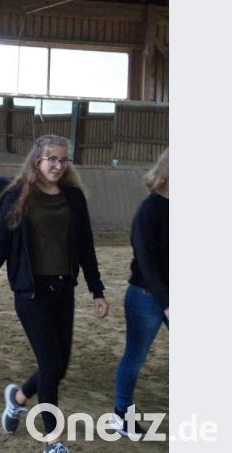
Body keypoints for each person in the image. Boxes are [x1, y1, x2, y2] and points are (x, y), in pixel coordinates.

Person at [0, 135, 110, 453]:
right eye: (51, 159)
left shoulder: (73, 197)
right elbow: (1, 245)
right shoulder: (17, 196)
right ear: (37, 160)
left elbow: (85, 247)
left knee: (59, 366)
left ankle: (17, 399)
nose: (58, 165)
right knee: (49, 364)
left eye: (63, 160)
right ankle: (53, 441)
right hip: (31, 294)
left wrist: (96, 290)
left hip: (63, 290)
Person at [110, 149, 169, 439]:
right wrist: (167, 302)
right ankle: (121, 415)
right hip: (146, 296)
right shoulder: (149, 210)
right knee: (135, 357)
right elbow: (147, 262)